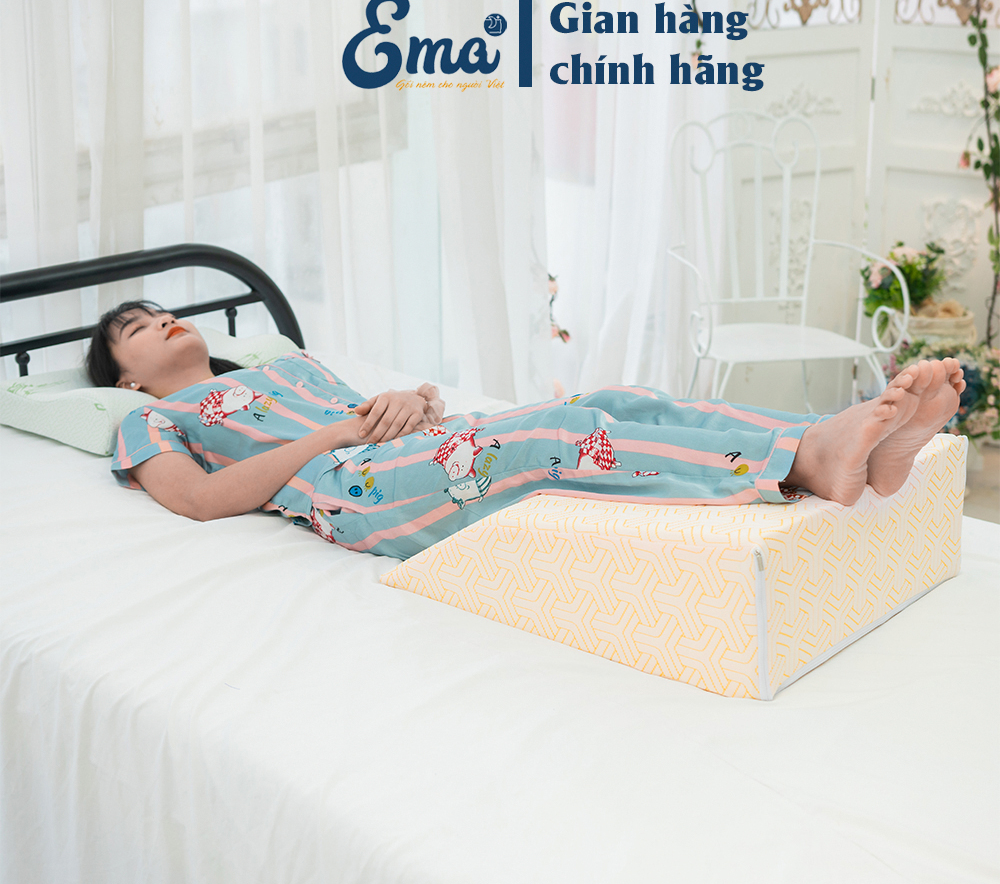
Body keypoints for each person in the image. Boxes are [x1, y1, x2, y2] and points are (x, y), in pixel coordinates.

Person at [89, 301, 967, 561]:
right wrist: (344, 435)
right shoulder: (148, 421)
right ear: (125, 377)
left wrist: (413, 403)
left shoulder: (284, 365)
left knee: (611, 400)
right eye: (135, 326)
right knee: (556, 433)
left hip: (402, 446)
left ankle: (833, 434)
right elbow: (202, 502)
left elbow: (373, 414)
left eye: (161, 309)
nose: (160, 319)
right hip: (349, 490)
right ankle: (806, 460)